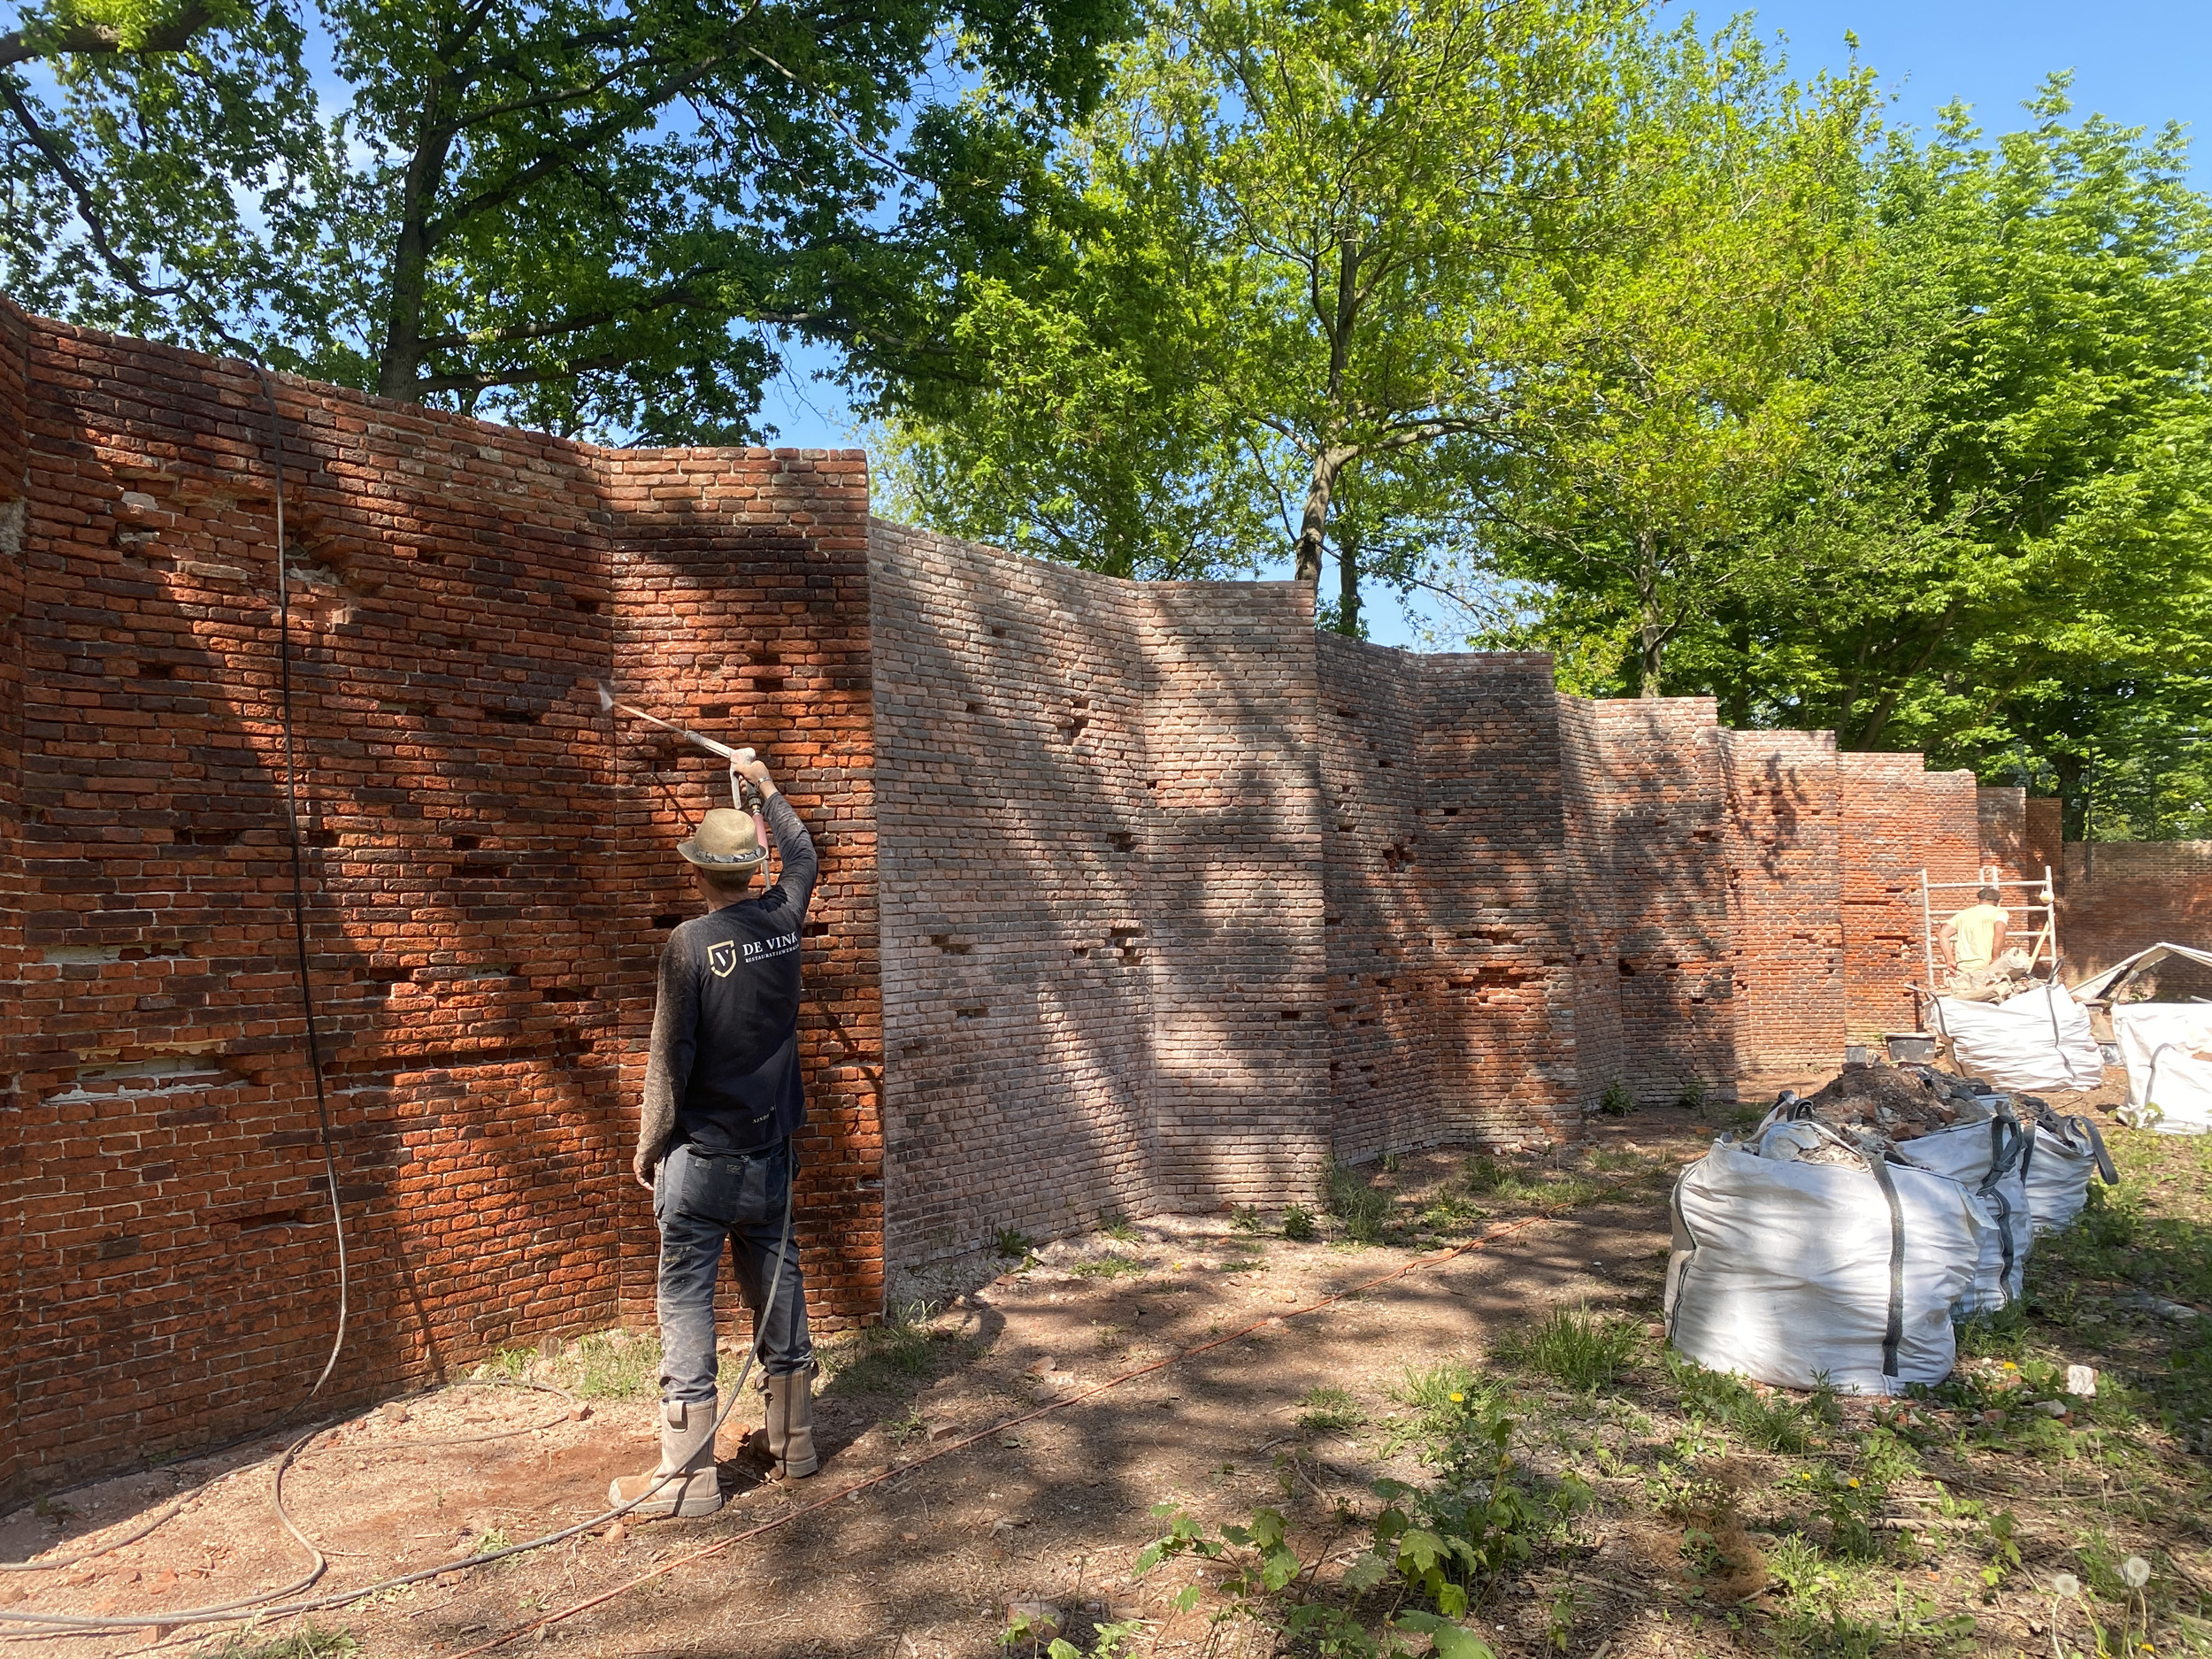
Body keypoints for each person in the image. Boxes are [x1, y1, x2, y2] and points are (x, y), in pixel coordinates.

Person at [610, 748, 819, 1519]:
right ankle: (796, 1443)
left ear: (699, 871)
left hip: (702, 1159)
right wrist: (764, 784)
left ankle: (689, 1477)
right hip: (772, 1154)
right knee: (779, 1283)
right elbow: (803, 853)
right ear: (754, 868)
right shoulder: (785, 918)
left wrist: (648, 1144)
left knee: (686, 1301)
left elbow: (669, 1056)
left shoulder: (689, 944)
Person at [1938, 886, 2010, 986]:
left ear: (1980, 899)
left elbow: (1942, 934)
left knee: (1964, 995)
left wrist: (1950, 960)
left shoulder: (1963, 914)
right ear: (1997, 901)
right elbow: (2000, 932)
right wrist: (1995, 958)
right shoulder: (1999, 912)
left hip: (1963, 966)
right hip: (1985, 965)